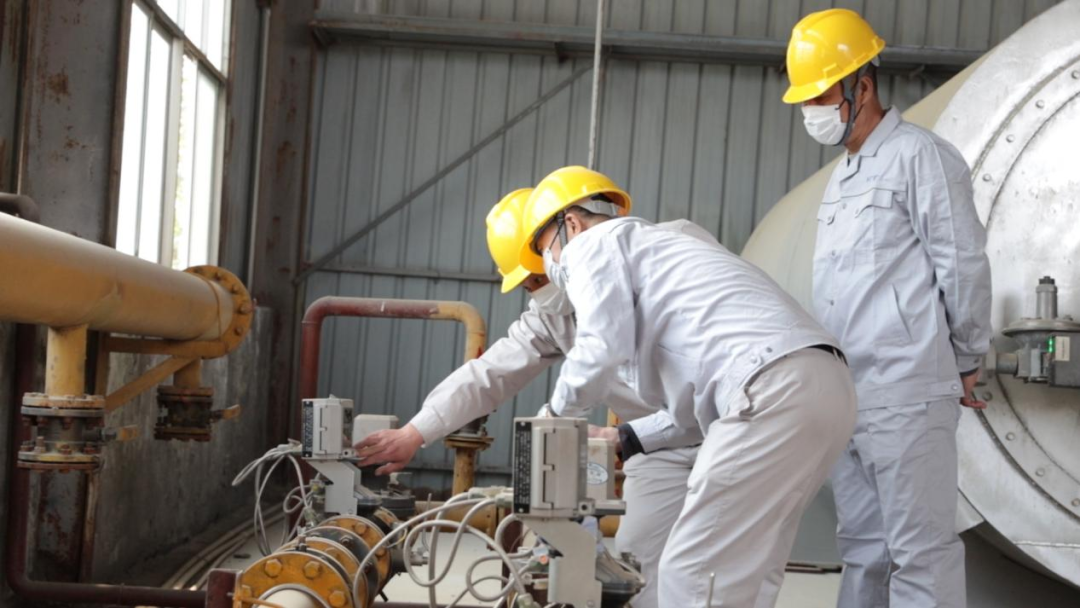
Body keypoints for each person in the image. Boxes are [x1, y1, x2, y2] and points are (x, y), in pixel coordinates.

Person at [356, 178, 711, 608]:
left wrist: (556, 418)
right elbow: (488, 375)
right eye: (530, 285)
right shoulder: (551, 318)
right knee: (640, 565)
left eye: (540, 275)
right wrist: (415, 432)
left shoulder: (661, 249)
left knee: (716, 561)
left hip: (721, 420)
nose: (542, 289)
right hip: (653, 446)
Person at [519, 165, 857, 607]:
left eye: (544, 250)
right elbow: (691, 415)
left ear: (571, 224)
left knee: (689, 572)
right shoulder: (666, 264)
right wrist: (626, 436)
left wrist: (555, 420)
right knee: (749, 573)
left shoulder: (594, 244)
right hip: (826, 388)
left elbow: (599, 347)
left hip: (770, 390)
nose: (549, 266)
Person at [782, 9, 993, 608]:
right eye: (805, 100)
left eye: (821, 96)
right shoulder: (842, 177)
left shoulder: (920, 157)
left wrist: (967, 356)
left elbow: (962, 263)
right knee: (864, 552)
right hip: (853, 395)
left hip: (908, 392)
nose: (811, 111)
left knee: (919, 553)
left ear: (863, 87)